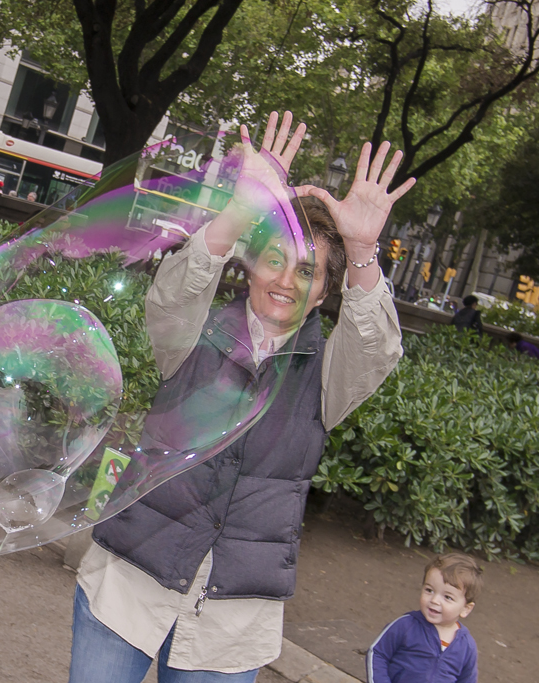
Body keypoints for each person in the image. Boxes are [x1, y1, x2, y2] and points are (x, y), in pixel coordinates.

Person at [69, 111, 413, 682]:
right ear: (250, 265)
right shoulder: (190, 336)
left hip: (229, 620)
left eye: (308, 271)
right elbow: (172, 293)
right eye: (274, 258)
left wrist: (360, 250)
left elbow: (376, 349)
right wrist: (241, 208)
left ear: (326, 291)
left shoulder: (330, 376)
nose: (285, 281)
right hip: (130, 584)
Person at [366, 553, 481, 683]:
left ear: (466, 609)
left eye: (447, 597)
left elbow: (467, 680)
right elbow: (377, 653)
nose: (435, 600)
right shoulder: (405, 625)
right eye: (429, 590)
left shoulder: (466, 646)